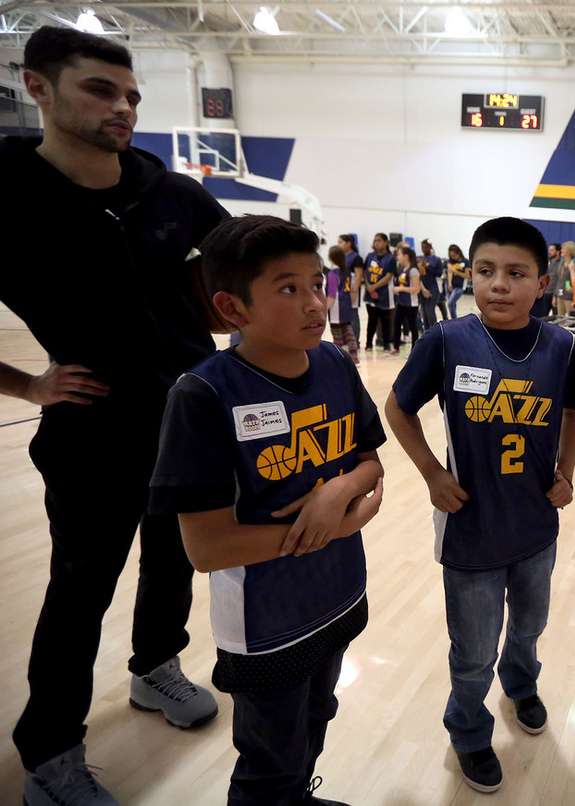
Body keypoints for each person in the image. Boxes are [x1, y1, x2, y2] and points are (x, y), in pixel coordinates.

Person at [0, 27, 227, 805]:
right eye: (100, 89)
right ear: (38, 86)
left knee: (174, 561)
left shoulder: (172, 193)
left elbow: (253, 265)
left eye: (131, 95)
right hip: (93, 436)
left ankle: (155, 667)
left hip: (190, 424)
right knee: (79, 591)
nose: (123, 107)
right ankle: (50, 756)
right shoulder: (9, 196)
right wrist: (29, 386)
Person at [150, 215, 386, 805]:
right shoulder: (203, 396)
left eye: (316, 283)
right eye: (288, 288)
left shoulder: (334, 364)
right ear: (233, 309)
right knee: (268, 762)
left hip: (337, 593)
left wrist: (337, 496)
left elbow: (371, 463)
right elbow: (207, 549)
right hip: (265, 625)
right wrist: (336, 524)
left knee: (317, 719)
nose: (314, 303)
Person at [385, 217, 575, 794]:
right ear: (470, 275)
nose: (499, 284)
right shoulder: (446, 341)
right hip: (469, 529)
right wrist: (430, 473)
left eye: (516, 273)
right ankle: (468, 728)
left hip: (534, 528)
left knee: (529, 627)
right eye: (486, 271)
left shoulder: (561, 345)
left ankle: (521, 687)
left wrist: (567, 473)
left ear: (542, 284)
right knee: (472, 649)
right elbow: (397, 409)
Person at [326, 245, 360, 364]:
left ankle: (340, 360)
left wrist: (324, 308)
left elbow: (331, 295)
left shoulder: (332, 274)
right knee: (349, 333)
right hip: (346, 305)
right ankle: (354, 357)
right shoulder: (347, 271)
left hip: (336, 308)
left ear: (331, 257)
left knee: (338, 336)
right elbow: (352, 289)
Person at [363, 233, 396, 353]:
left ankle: (386, 344)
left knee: (385, 321)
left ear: (386, 242)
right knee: (371, 321)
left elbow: (388, 276)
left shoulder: (391, 258)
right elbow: (365, 272)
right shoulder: (370, 256)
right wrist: (369, 287)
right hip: (370, 294)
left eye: (379, 240)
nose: (377, 243)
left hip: (384, 294)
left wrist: (374, 287)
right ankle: (368, 344)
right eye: (375, 240)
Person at [393, 245, 422, 349]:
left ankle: (415, 350)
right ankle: (396, 347)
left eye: (399, 254)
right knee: (396, 324)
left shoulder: (413, 270)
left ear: (406, 256)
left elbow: (416, 289)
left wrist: (400, 289)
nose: (397, 257)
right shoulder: (401, 269)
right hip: (401, 302)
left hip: (411, 304)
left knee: (413, 327)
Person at [337, 234, 363, 346]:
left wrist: (354, 291)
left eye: (341, 242)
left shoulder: (356, 258)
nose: (338, 245)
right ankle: (346, 339)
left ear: (349, 243)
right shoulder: (341, 256)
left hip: (352, 290)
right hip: (342, 290)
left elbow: (358, 276)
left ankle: (355, 340)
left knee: (353, 316)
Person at [422, 239, 449, 322]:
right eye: (422, 247)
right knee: (424, 312)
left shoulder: (436, 259)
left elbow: (439, 273)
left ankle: (434, 330)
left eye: (425, 247)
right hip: (423, 287)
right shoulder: (421, 258)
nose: (423, 249)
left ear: (430, 247)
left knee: (430, 310)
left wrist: (427, 266)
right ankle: (427, 332)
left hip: (434, 287)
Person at [445, 244, 471, 320]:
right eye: (451, 255)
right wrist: (449, 284)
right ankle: (454, 320)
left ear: (458, 253)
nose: (452, 257)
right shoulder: (451, 261)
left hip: (460, 287)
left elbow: (468, 276)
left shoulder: (465, 261)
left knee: (450, 303)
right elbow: (450, 272)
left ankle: (454, 320)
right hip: (450, 285)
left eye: (454, 255)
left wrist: (456, 271)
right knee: (452, 304)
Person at [555, 241, 575, 316]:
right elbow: (559, 281)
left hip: (569, 297)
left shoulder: (574, 265)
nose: (561, 250)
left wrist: (574, 298)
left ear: (569, 251)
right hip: (560, 295)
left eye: (563, 249)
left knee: (570, 319)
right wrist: (555, 296)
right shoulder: (561, 263)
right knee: (560, 318)